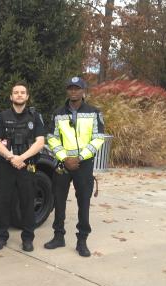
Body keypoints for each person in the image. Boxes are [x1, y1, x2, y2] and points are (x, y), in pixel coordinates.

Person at [44, 76, 105, 257]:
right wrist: (64, 157)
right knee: (59, 199)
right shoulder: (58, 113)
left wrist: (79, 157)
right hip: (63, 163)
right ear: (67, 91)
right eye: (70, 88)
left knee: (83, 202)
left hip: (83, 164)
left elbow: (98, 137)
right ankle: (58, 236)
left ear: (83, 91)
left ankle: (82, 240)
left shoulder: (94, 112)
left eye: (77, 88)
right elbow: (52, 138)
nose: (74, 91)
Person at [0, 81, 46, 252]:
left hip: (27, 165)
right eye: (16, 92)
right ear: (11, 96)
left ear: (27, 96)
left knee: (27, 203)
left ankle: (27, 239)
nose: (19, 95)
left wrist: (22, 157)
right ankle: (1, 237)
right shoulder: (2, 116)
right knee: (3, 202)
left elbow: (40, 142)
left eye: (22, 92)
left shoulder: (35, 117)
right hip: (7, 166)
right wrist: (10, 157)